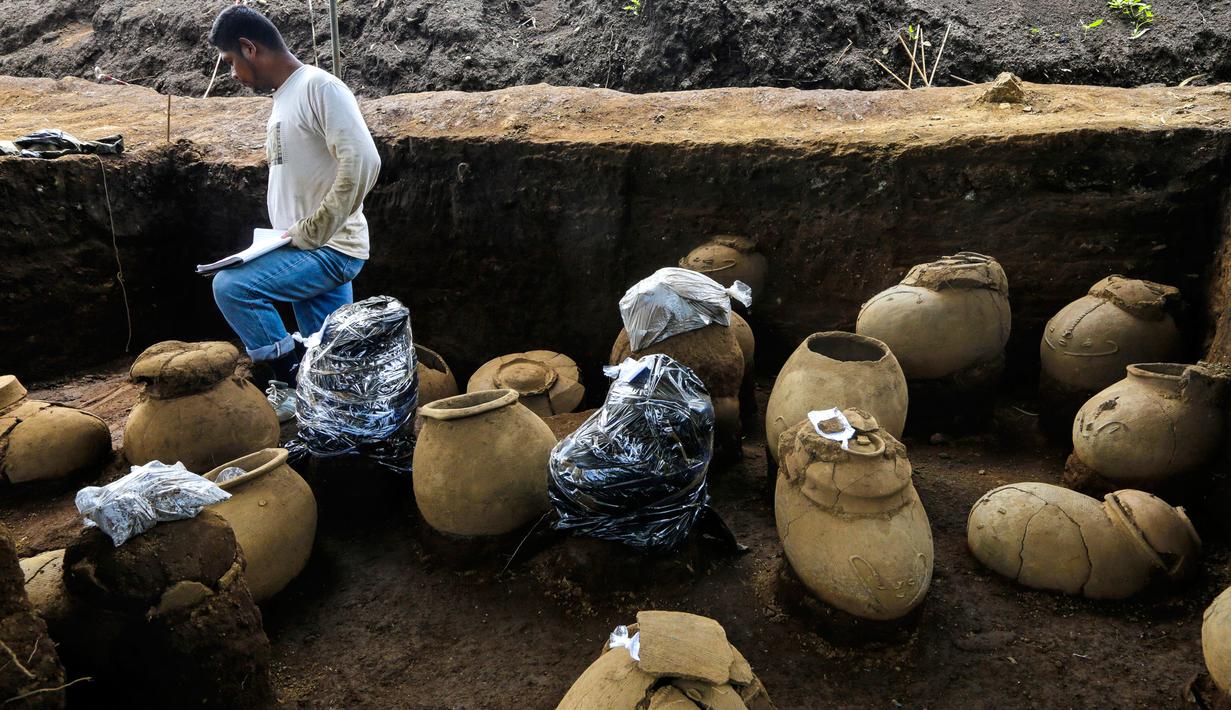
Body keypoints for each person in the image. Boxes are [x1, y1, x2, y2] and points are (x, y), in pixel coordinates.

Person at [207, 5, 381, 422]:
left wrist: (316, 230)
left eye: (231, 61)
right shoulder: (286, 97)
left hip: (326, 247)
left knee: (232, 288)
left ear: (249, 48)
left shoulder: (320, 87)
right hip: (304, 242)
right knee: (334, 361)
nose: (232, 73)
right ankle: (346, 421)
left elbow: (363, 161)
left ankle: (290, 379)